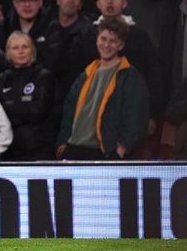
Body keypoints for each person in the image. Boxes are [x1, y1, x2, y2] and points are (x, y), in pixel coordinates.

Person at [57, 17, 149, 160]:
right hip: (73, 150)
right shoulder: (85, 74)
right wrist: (62, 146)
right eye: (103, 39)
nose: (106, 45)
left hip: (105, 152)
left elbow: (135, 117)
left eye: (112, 41)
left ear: (121, 45)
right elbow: (68, 111)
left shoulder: (130, 76)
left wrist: (121, 149)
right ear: (97, 40)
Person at [0, 31, 55, 160]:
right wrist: (23, 109)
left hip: (38, 149)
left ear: (32, 50)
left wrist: (8, 107)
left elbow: (38, 111)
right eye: (15, 48)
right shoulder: (1, 79)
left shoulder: (43, 76)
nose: (20, 51)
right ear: (8, 52)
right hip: (8, 150)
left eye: (25, 47)